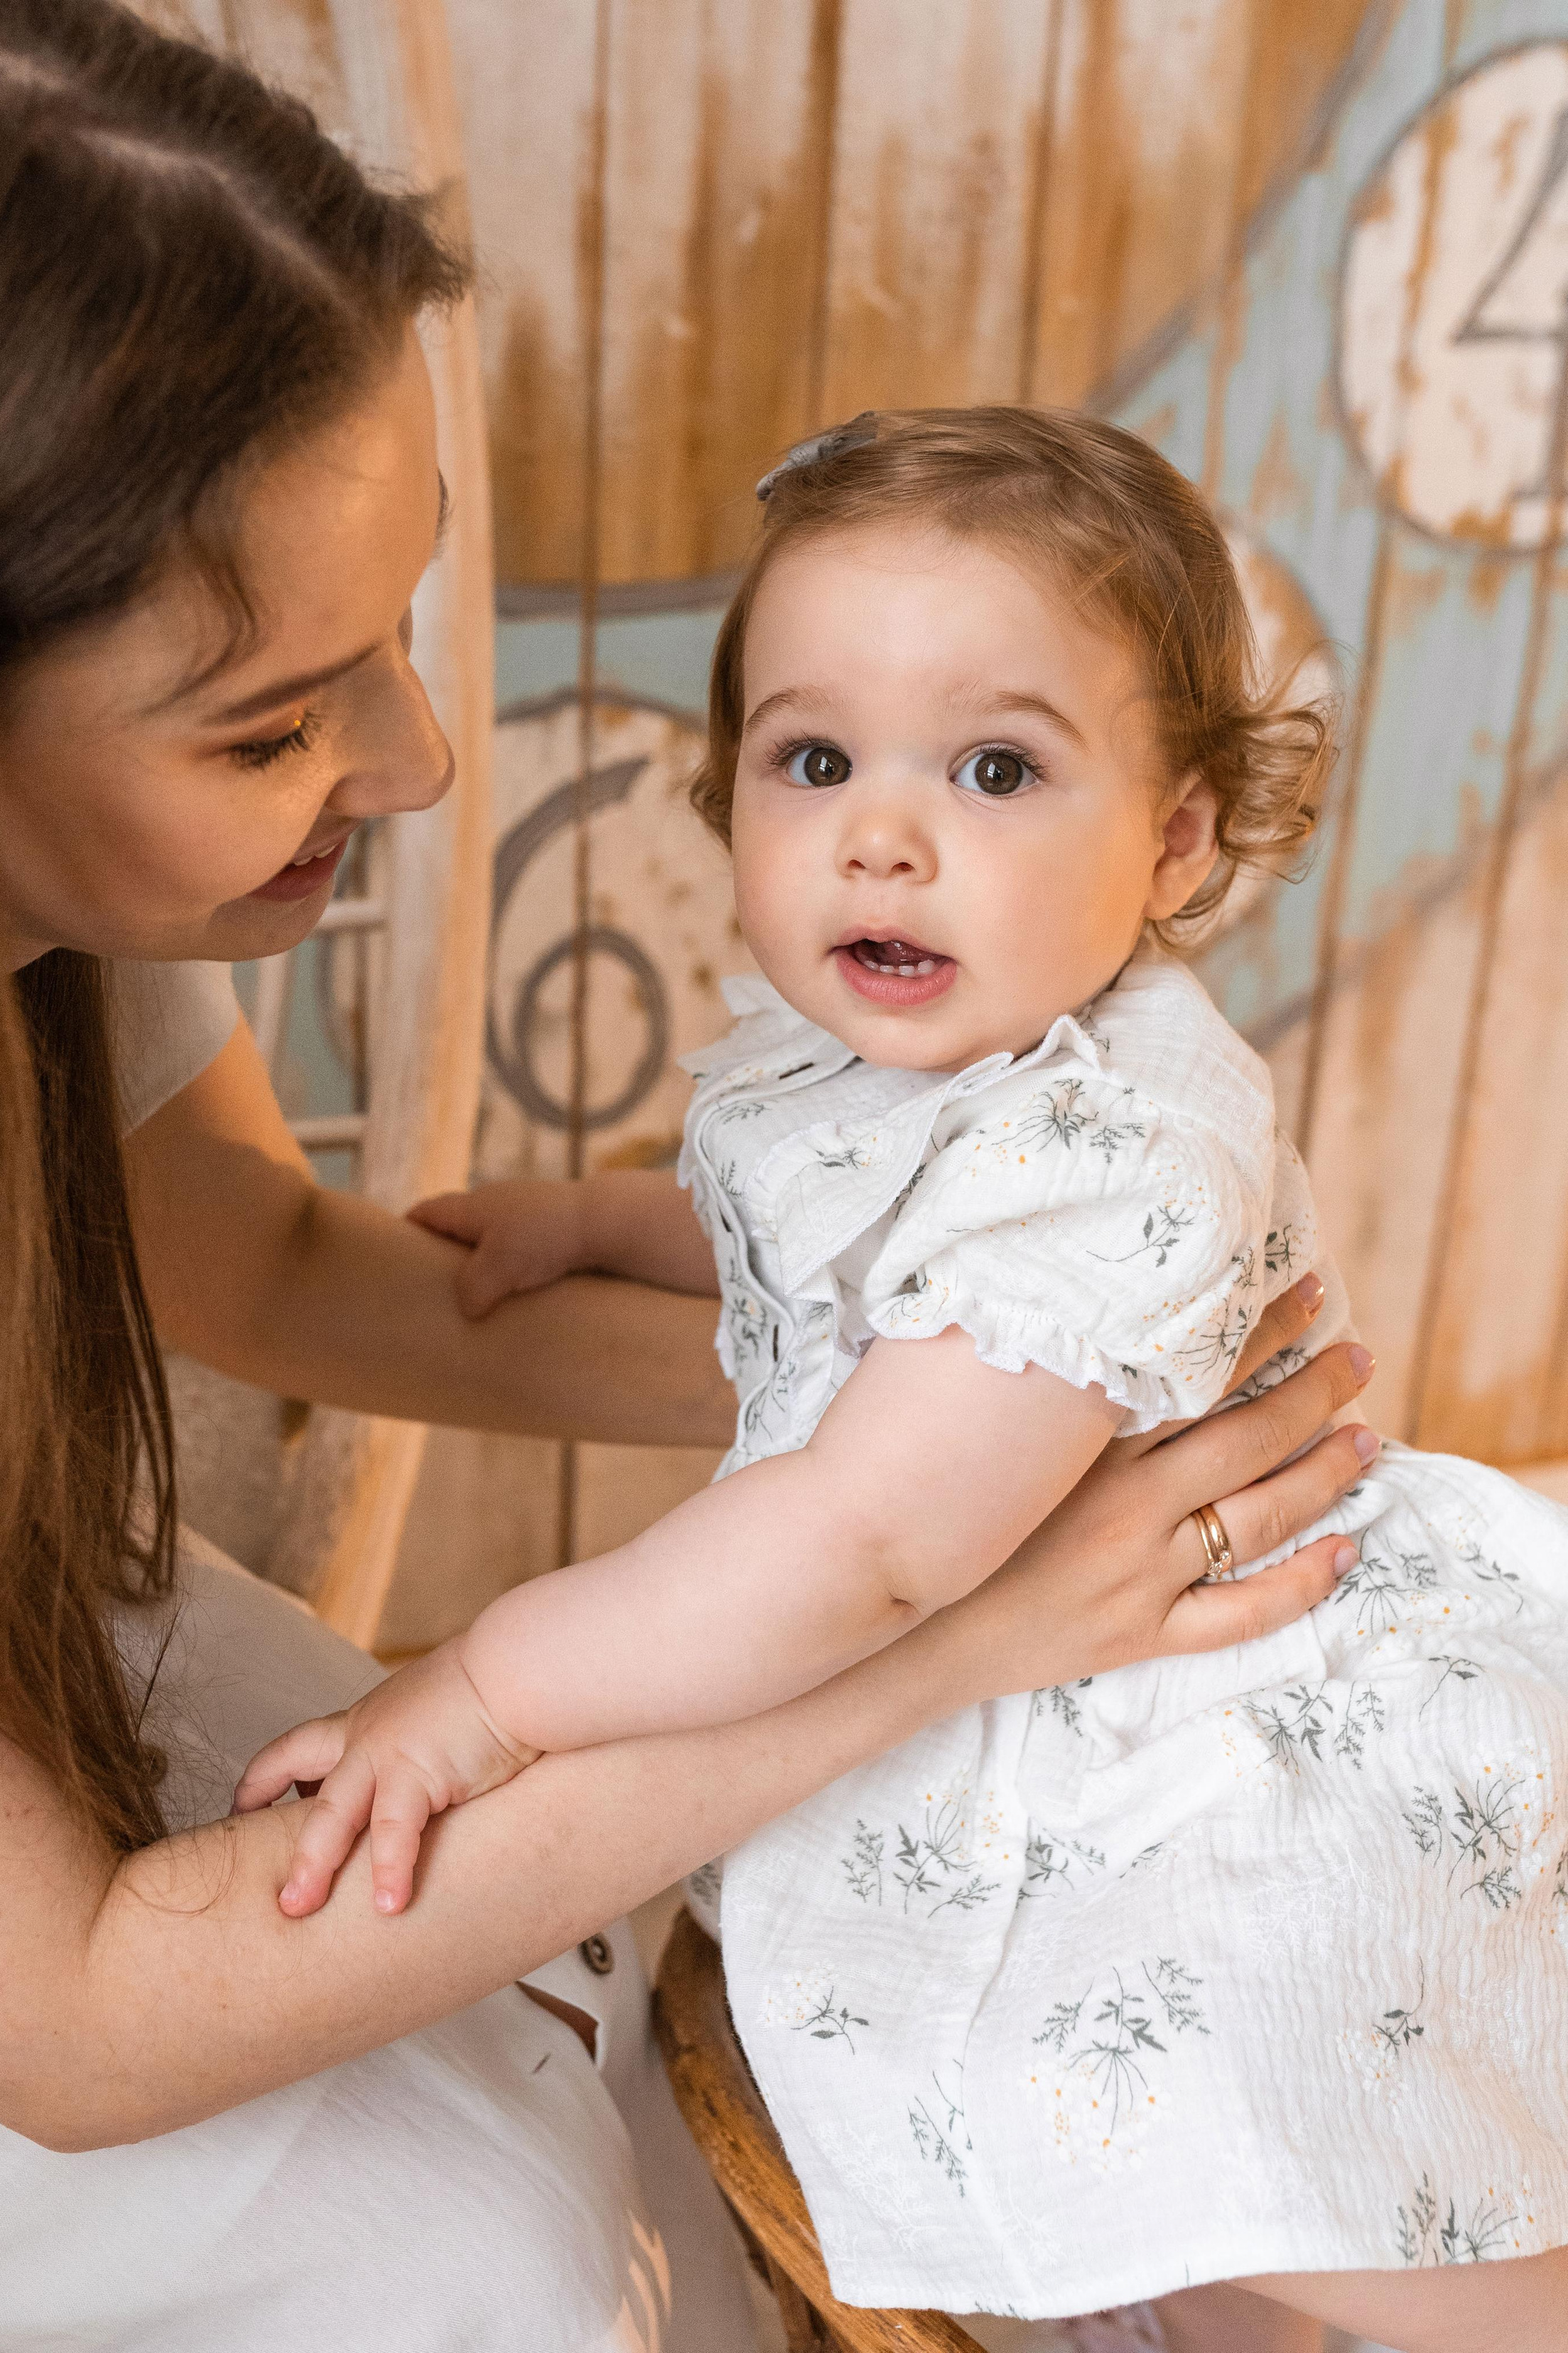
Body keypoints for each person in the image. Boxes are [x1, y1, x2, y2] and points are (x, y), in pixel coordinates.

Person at [0, 9, 1373, 2347]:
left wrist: (993, 1407)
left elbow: (284, 1271)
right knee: (500, 2260)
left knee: (618, 1998)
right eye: (275, 717)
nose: (411, 763)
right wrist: (958, 1629)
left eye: (393, 633)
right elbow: (81, 2024)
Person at [281, 410, 1568, 2353]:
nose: (884, 832)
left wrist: (481, 1689)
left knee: (1274, 2143)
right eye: (814, 760)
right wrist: (603, 1220)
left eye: (993, 767)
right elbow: (819, 1232)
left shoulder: (1120, 1140)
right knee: (1189, 2225)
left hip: (1206, 1733)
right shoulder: (891, 1060)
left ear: (1176, 840)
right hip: (1057, 1660)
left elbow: (873, 1541)